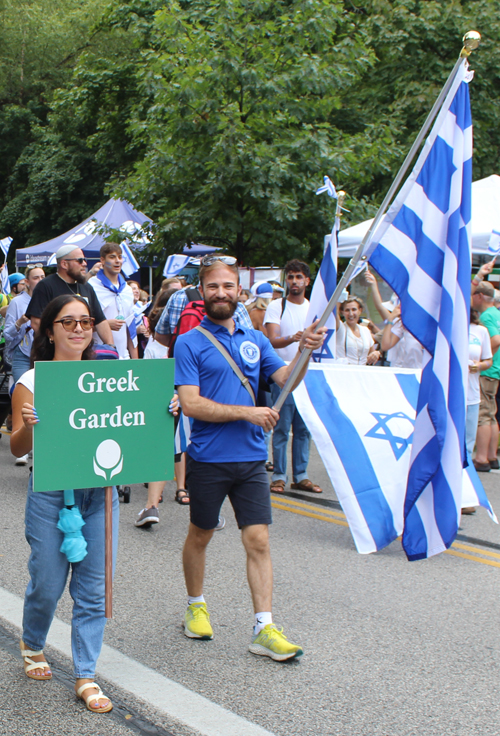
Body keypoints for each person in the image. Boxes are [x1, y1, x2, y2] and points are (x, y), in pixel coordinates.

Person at [175, 255, 326, 660]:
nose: (220, 293)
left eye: (227, 286)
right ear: (201, 291)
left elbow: (285, 380)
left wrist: (306, 351)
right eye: (212, 287)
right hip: (208, 458)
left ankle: (264, 627)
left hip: (251, 458)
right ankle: (195, 605)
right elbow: (190, 404)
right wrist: (248, 412)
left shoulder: (256, 339)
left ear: (239, 291)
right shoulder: (190, 342)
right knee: (201, 534)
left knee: (257, 539)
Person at [10, 294, 118, 713]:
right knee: (48, 583)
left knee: (93, 591)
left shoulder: (109, 376)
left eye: (86, 322)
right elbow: (19, 444)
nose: (78, 329)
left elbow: (129, 424)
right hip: (52, 490)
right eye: (68, 322)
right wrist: (31, 427)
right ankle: (33, 642)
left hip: (100, 491)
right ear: (50, 330)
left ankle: (86, 674)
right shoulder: (32, 383)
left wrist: (163, 410)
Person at [264, 260, 322, 494]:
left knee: (303, 429)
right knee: (281, 427)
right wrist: (294, 338)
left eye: (299, 277)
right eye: (290, 277)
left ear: (307, 281)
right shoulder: (277, 306)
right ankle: (279, 475)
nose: (294, 281)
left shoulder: (314, 308)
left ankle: (301, 475)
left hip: (308, 375)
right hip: (283, 373)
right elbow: (272, 340)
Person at [26, 245, 114, 347]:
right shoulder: (45, 286)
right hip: (53, 354)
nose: (85, 264)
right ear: (64, 264)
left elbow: (100, 321)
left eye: (85, 260)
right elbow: (36, 322)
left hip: (82, 353)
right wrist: (59, 343)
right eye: (80, 260)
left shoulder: (87, 287)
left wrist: (111, 347)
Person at [4, 264, 45, 466]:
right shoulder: (18, 303)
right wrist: (21, 322)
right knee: (23, 392)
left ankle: (40, 444)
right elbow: (7, 334)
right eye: (35, 277)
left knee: (44, 397)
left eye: (42, 277)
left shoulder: (49, 300)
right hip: (23, 354)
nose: (40, 280)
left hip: (44, 354)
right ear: (27, 282)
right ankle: (21, 444)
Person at [88, 243, 138, 360]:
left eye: (120, 257)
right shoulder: (92, 286)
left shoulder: (127, 289)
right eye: (112, 257)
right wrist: (105, 325)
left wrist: (136, 362)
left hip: (123, 356)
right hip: (98, 355)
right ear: (102, 260)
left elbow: (130, 328)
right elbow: (82, 325)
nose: (117, 261)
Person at [471, 280, 500, 471]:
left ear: (480, 296)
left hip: (486, 369)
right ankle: (491, 456)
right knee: (490, 414)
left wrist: (484, 355)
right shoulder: (496, 313)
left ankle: (481, 458)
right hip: (494, 369)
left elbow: (496, 339)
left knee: (483, 415)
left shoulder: (488, 315)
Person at [335, 295, 381, 365]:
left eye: (354, 309)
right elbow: (335, 312)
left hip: (362, 372)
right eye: (347, 310)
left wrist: (376, 353)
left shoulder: (365, 330)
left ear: (360, 310)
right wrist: (342, 292)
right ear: (342, 312)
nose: (351, 314)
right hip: (344, 372)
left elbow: (371, 352)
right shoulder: (340, 328)